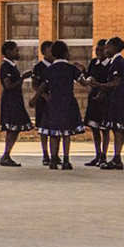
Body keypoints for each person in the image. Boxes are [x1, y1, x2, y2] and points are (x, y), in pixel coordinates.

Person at [38, 40, 83, 169]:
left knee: (53, 132)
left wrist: (36, 98)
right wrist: (85, 74)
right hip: (68, 102)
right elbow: (83, 82)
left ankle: (53, 160)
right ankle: (66, 160)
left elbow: (43, 86)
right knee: (66, 132)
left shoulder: (49, 70)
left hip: (53, 102)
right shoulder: (72, 69)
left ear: (53, 54)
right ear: (66, 53)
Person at [93, 37, 124, 170]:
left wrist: (100, 85)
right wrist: (102, 93)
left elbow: (117, 82)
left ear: (115, 48)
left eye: (108, 47)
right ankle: (117, 158)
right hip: (115, 97)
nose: (105, 50)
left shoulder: (118, 61)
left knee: (118, 128)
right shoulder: (114, 61)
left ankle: (117, 158)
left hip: (119, 98)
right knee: (116, 128)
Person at [0, 40, 30, 167]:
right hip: (10, 101)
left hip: (16, 100)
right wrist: (22, 78)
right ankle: (6, 155)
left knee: (15, 129)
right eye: (16, 50)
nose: (18, 53)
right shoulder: (6, 66)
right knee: (12, 128)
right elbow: (8, 85)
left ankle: (7, 154)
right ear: (8, 52)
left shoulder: (12, 66)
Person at [81, 39, 110, 167]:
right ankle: (97, 154)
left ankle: (104, 155)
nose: (98, 53)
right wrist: (83, 71)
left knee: (104, 128)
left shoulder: (110, 64)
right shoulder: (94, 62)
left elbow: (110, 81)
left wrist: (102, 90)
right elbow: (89, 77)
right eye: (97, 50)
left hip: (105, 98)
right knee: (94, 128)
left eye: (101, 50)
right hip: (93, 97)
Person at [30, 40, 56, 167]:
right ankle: (45, 154)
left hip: (55, 100)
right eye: (51, 49)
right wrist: (44, 95)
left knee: (55, 128)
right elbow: (35, 85)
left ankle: (55, 154)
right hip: (43, 101)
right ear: (45, 51)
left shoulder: (57, 65)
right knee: (43, 128)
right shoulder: (39, 67)